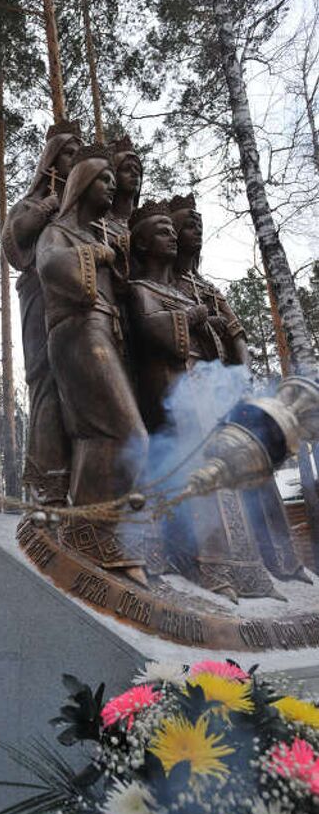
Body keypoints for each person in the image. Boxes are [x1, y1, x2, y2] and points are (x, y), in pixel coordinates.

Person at [128, 200, 283, 600]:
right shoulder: (140, 289)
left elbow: (221, 335)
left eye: (171, 231)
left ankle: (247, 570)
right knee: (195, 471)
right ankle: (208, 565)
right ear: (143, 245)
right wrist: (197, 317)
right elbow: (155, 331)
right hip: (170, 389)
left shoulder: (184, 290)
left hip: (202, 388)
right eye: (163, 231)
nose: (173, 237)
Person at [168, 193, 307, 583]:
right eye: (188, 223)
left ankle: (280, 559)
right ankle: (213, 559)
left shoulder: (210, 289)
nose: (196, 229)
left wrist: (239, 377)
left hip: (223, 385)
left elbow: (236, 333)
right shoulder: (165, 283)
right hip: (184, 386)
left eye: (199, 223)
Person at [36, 144, 148, 580]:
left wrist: (114, 253)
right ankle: (99, 538)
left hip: (101, 332)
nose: (112, 186)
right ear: (82, 186)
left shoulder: (95, 234)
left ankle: (93, 537)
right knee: (126, 432)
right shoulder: (58, 231)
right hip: (76, 332)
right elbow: (49, 268)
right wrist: (97, 255)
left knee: (97, 437)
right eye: (103, 179)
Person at [2, 120, 82, 506]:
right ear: (51, 158)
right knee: (46, 378)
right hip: (39, 293)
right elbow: (14, 240)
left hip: (79, 301)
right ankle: (47, 480)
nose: (74, 159)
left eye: (77, 153)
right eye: (68, 152)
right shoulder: (33, 201)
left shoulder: (83, 208)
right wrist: (47, 208)